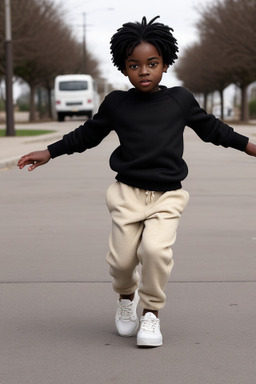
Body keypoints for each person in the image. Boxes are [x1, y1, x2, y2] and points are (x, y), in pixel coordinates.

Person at [17, 16, 256, 348]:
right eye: (134, 65)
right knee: (122, 261)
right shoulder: (117, 103)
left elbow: (215, 130)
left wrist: (250, 147)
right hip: (127, 194)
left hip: (167, 196)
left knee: (155, 251)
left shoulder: (180, 100)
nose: (144, 71)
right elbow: (88, 134)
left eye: (152, 63)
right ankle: (126, 299)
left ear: (165, 64)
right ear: (123, 68)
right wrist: (49, 151)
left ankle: (151, 313)